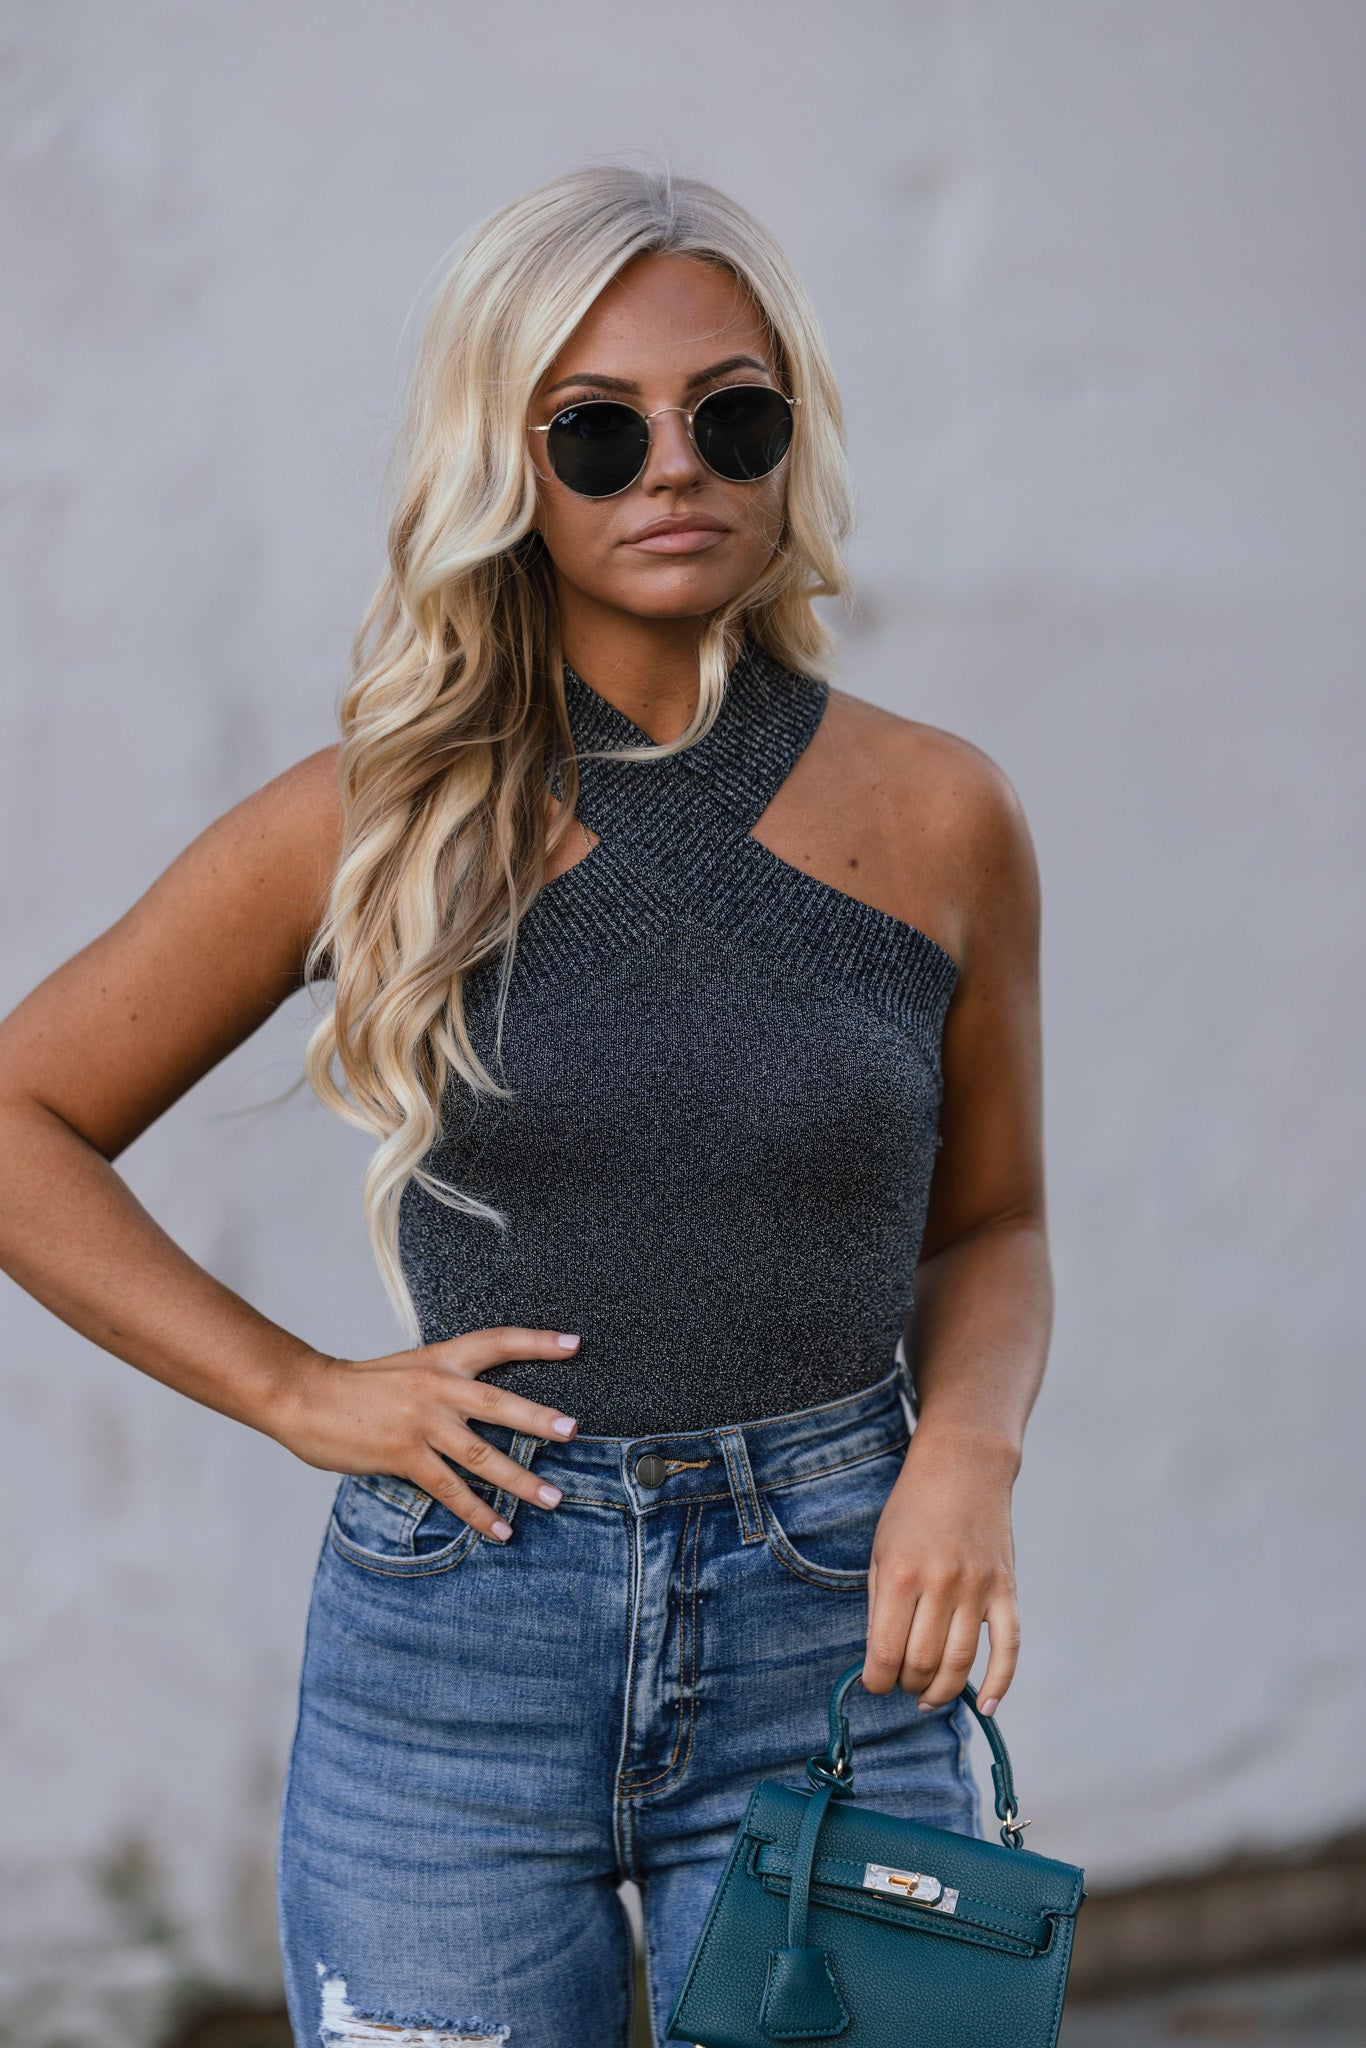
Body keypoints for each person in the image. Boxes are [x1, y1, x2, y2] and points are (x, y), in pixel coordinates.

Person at [0, 164, 1050, 2048]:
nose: (675, 468)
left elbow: (989, 1219)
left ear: (790, 437)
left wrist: (966, 1452)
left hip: (839, 1621)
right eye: (597, 430)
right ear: (509, 460)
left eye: (731, 415)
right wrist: (294, 1390)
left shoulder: (938, 813)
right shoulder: (376, 819)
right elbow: (23, 1118)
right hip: (461, 1650)